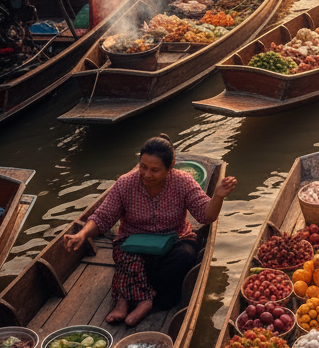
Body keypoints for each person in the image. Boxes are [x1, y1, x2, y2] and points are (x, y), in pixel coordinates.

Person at [62, 135, 236, 327]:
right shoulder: (125, 183)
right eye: (143, 167)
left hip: (174, 239)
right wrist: (82, 234)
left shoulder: (183, 182)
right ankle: (128, 299)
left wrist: (218, 196)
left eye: (155, 170)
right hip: (135, 242)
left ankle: (146, 299)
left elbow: (206, 215)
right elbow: (102, 217)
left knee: (185, 257)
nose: (146, 174)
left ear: (170, 168)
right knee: (128, 254)